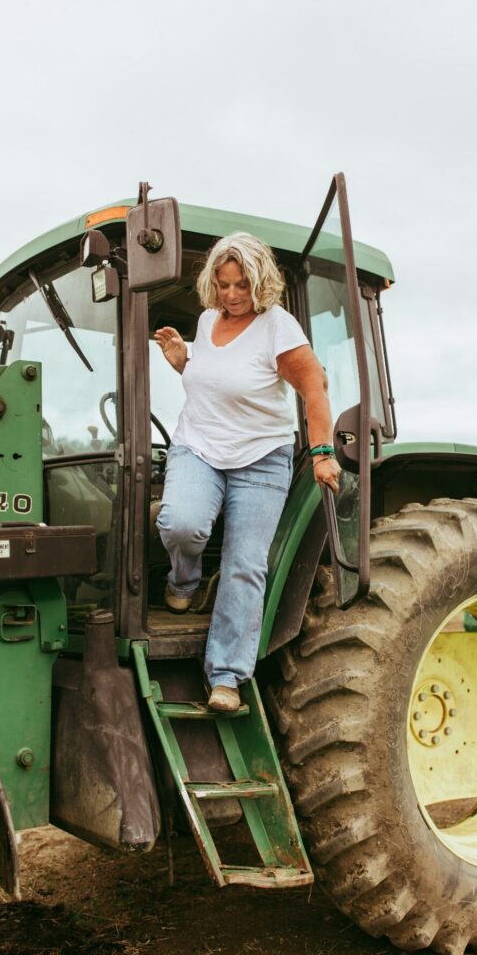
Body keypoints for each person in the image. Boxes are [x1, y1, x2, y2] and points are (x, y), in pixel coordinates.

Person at [155, 232, 340, 712]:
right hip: (199, 446)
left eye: (240, 285)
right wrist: (182, 361)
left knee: (245, 565)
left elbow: (314, 388)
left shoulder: (277, 326)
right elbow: (217, 381)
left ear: (259, 283)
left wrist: (321, 452)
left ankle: (226, 676)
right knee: (182, 523)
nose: (231, 295)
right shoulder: (206, 319)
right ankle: (184, 584)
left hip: (261, 457)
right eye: (222, 284)